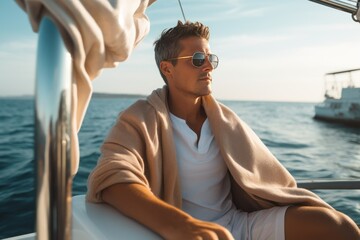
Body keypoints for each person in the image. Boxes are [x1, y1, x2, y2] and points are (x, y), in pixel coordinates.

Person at [87, 21, 360, 240]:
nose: (208, 66)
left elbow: (268, 182)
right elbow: (111, 177)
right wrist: (180, 226)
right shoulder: (140, 118)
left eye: (210, 58)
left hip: (238, 224)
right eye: (196, 59)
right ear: (167, 69)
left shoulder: (225, 120)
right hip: (183, 230)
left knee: (338, 226)